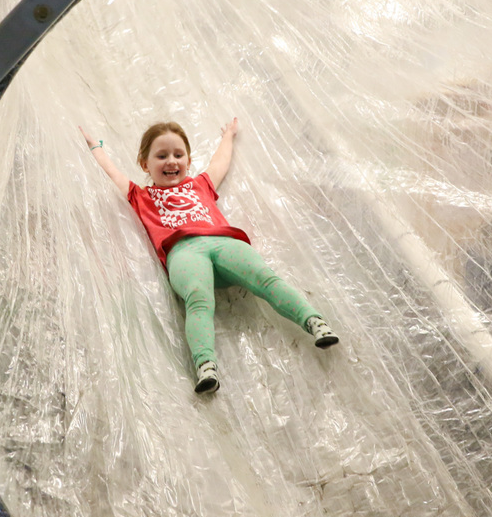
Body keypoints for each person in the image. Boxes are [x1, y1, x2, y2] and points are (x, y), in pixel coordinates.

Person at [80, 118, 338, 394]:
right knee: (198, 297)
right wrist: (94, 146)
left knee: (265, 277)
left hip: (223, 241)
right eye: (162, 155)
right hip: (183, 251)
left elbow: (219, 163)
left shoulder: (200, 185)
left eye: (178, 155)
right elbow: (112, 172)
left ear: (188, 160)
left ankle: (314, 322)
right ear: (145, 164)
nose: (172, 161)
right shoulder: (141, 196)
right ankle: (205, 365)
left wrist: (228, 135)